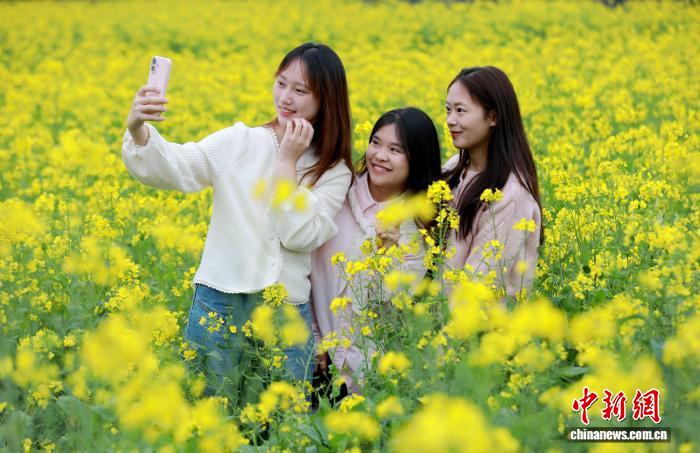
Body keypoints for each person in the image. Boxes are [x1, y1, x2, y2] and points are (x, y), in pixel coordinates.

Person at [121, 43, 353, 396]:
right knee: (208, 413)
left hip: (287, 312)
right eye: (281, 83)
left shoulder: (334, 171)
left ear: (327, 100)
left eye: (300, 90)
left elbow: (299, 235)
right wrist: (138, 127)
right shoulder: (242, 141)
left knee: (284, 420)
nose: (285, 97)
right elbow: (180, 167)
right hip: (219, 300)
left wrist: (287, 162)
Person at [310, 107, 442, 394]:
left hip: (369, 381)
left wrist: (389, 257)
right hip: (314, 361)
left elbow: (394, 311)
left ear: (417, 159)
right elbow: (304, 265)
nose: (380, 155)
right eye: (376, 143)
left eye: (395, 149)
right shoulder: (337, 193)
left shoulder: (415, 226)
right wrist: (315, 339)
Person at [442, 66, 542, 300]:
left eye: (460, 111)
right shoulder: (453, 169)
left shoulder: (511, 194)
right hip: (438, 315)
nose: (450, 120)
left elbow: (481, 282)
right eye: (448, 110)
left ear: (493, 117)